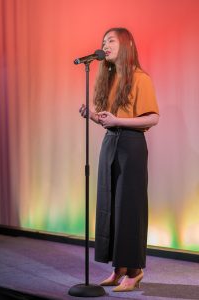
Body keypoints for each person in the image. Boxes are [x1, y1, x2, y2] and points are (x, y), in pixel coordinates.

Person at [79, 27, 159, 292]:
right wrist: (95, 116)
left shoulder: (140, 78)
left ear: (125, 45)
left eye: (111, 40)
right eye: (103, 41)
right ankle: (119, 268)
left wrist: (118, 121)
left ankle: (135, 271)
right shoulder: (110, 80)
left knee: (129, 207)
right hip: (111, 141)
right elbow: (110, 119)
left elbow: (152, 118)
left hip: (131, 145)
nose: (105, 45)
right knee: (109, 202)